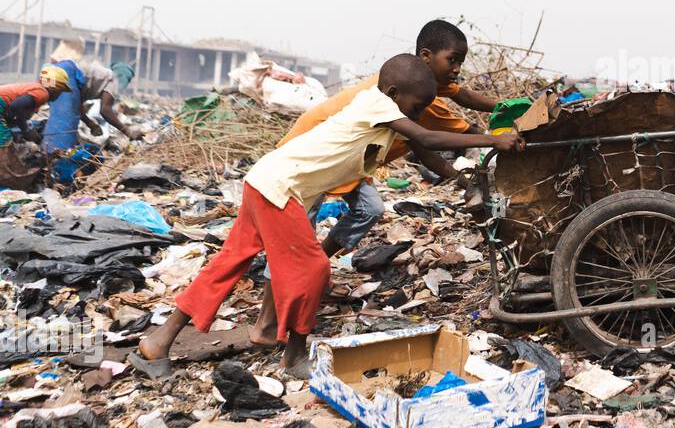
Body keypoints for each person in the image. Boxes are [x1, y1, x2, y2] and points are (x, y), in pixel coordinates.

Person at [131, 54, 524, 378]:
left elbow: (427, 151)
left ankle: (157, 342)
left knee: (229, 263)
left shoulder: (393, 115)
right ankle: (295, 358)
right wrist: (493, 139)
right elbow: (426, 137)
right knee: (313, 269)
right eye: (417, 106)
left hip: (266, 180)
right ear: (392, 94)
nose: (419, 113)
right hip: (280, 188)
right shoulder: (376, 104)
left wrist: (462, 177)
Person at [277, 19, 500, 259]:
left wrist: (504, 107)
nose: (457, 69)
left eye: (460, 62)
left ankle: (317, 263)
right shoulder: (407, 92)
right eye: (452, 59)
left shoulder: (420, 88)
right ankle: (287, 275)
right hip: (313, 151)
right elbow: (433, 139)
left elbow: (456, 104)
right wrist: (497, 141)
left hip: (350, 160)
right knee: (300, 230)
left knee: (370, 209)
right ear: (426, 56)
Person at [0, 66, 73, 147]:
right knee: (4, 144)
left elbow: (13, 113)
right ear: (56, 88)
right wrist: (26, 130)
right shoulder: (42, 93)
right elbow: (16, 106)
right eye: (61, 91)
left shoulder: (36, 88)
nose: (60, 95)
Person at [77, 61, 141, 139]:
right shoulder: (114, 80)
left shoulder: (101, 77)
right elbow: (105, 110)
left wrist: (91, 124)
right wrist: (128, 132)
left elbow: (76, 106)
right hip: (70, 76)